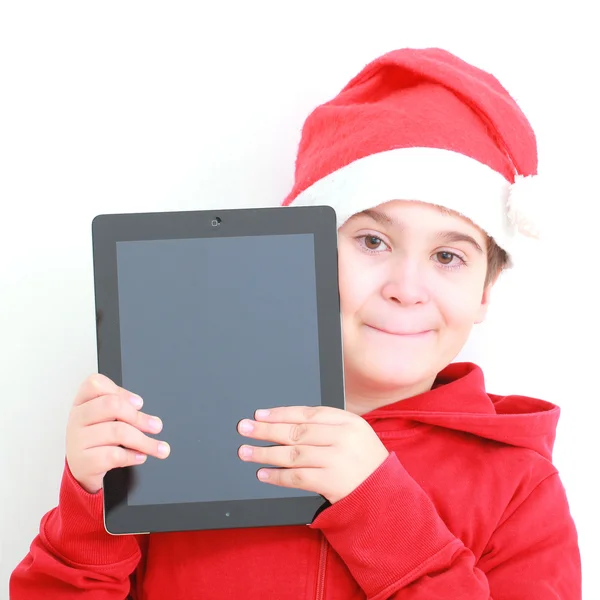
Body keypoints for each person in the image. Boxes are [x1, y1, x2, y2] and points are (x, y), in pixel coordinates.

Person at [10, 47, 581, 599]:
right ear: (298, 255)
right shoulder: (177, 439)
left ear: (485, 292)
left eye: (448, 257)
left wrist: (378, 506)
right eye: (372, 241)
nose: (406, 289)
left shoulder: (520, 488)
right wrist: (89, 504)